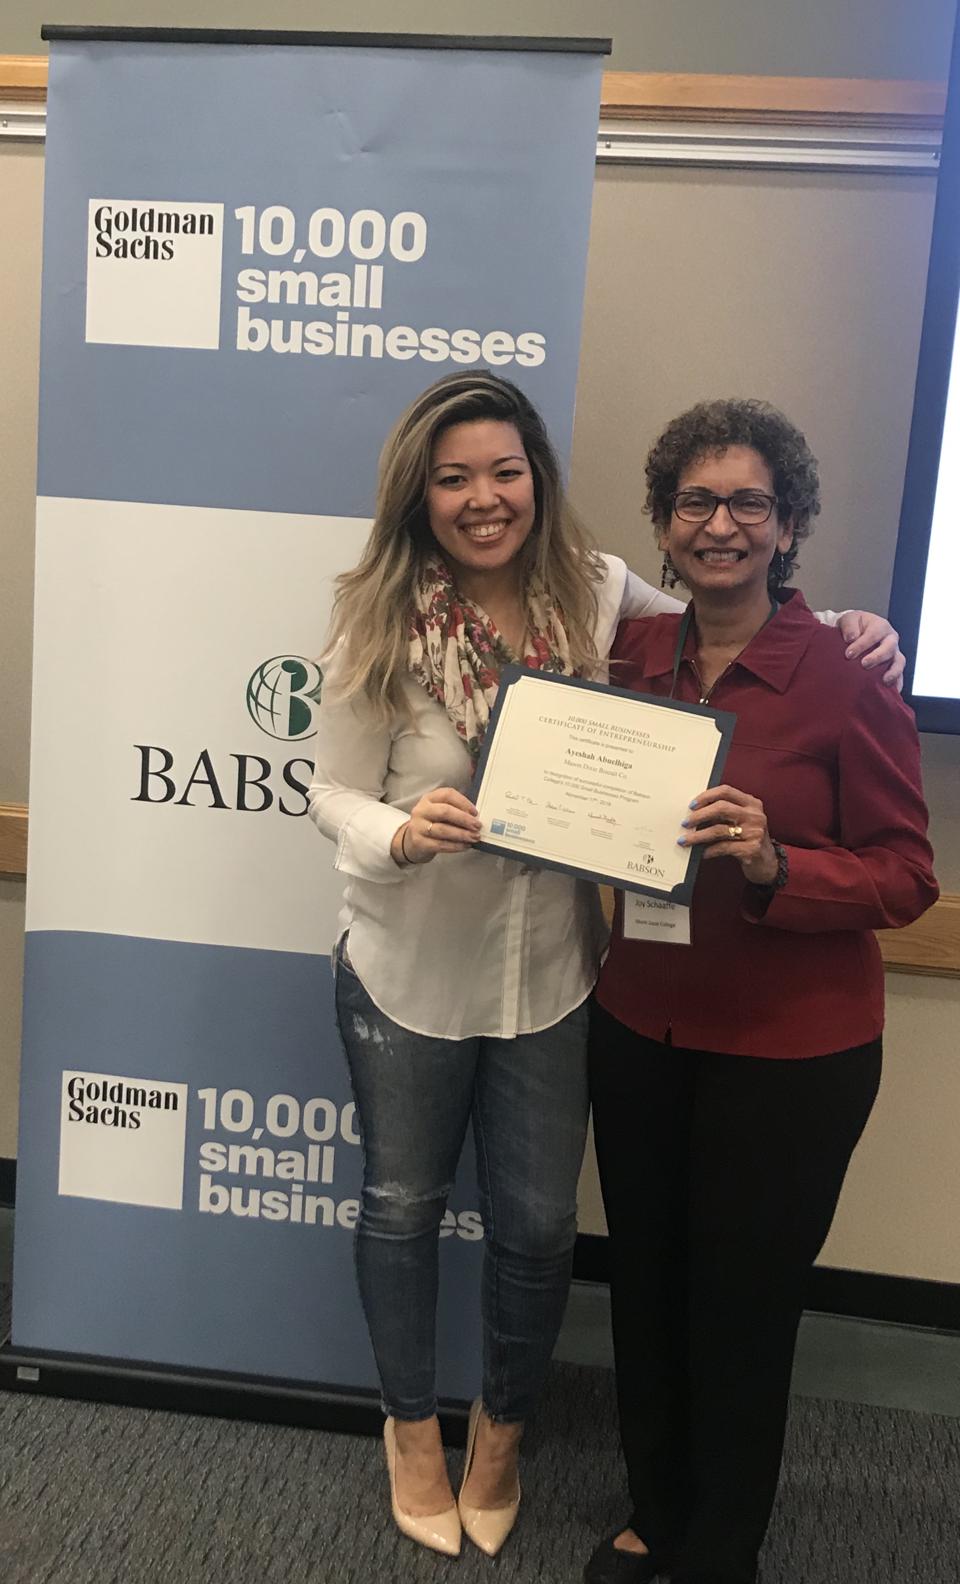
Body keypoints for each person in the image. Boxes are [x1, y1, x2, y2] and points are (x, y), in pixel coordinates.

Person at [307, 372, 903, 1560]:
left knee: (566, 1243)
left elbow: (746, 621)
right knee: (440, 1217)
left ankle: (582, 1476)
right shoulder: (427, 621)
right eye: (454, 476)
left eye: (506, 471)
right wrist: (399, 829)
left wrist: (850, 626)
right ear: (419, 493)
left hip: (608, 993)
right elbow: (327, 788)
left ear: (541, 479)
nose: (485, 497)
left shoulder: (598, 600)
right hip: (466, 981)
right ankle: (448, 1446)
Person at [584, 398, 938, 1584]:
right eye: (696, 501)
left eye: (749, 503)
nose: (720, 525)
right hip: (640, 1021)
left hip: (792, 1053)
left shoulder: (847, 670)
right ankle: (655, 1506)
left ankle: (719, 1544)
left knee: (740, 1306)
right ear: (666, 523)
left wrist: (780, 861)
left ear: (788, 526)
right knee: (647, 1282)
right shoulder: (632, 658)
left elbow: (906, 876)